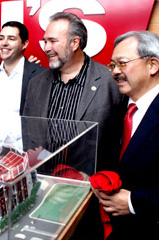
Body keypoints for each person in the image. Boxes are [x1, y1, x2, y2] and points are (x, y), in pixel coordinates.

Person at [22, 12, 126, 239]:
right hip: (43, 193)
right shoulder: (36, 83)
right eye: (45, 41)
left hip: (88, 198)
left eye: (52, 41)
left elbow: (118, 139)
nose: (46, 47)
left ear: (75, 42)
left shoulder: (110, 82)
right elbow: (30, 133)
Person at [93, 30, 159, 239]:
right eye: (112, 65)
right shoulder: (119, 107)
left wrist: (132, 202)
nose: (115, 72)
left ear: (152, 65)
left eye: (122, 63)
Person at [0, 21, 46, 151]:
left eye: (11, 39)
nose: (4, 43)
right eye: (1, 38)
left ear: (24, 44)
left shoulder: (39, 75)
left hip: (27, 155)